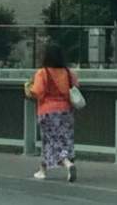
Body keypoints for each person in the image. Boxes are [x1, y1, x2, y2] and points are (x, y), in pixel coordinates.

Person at [25, 43, 79, 183]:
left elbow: (37, 92)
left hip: (47, 111)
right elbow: (75, 87)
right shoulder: (68, 73)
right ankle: (43, 169)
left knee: (50, 141)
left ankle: (67, 163)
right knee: (63, 140)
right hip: (66, 111)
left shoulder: (43, 73)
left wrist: (27, 88)